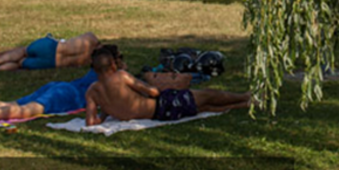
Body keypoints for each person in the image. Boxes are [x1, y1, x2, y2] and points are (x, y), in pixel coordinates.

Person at [0, 47, 126, 127]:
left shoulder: (95, 71)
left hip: (57, 87)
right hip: (65, 96)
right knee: (24, 111)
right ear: (114, 65)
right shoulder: (115, 79)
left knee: (10, 103)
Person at [85, 46, 250, 126]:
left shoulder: (92, 91)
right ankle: (245, 97)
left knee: (204, 107)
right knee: (207, 95)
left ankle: (245, 104)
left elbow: (91, 122)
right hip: (162, 105)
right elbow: (153, 92)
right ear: (113, 65)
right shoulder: (121, 77)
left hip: (158, 116)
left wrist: (107, 112)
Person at [0, 32, 101, 75]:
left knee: (21, 51)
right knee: (19, 64)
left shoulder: (91, 38)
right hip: (50, 63)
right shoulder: (90, 62)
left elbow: (69, 40)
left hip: (51, 47)